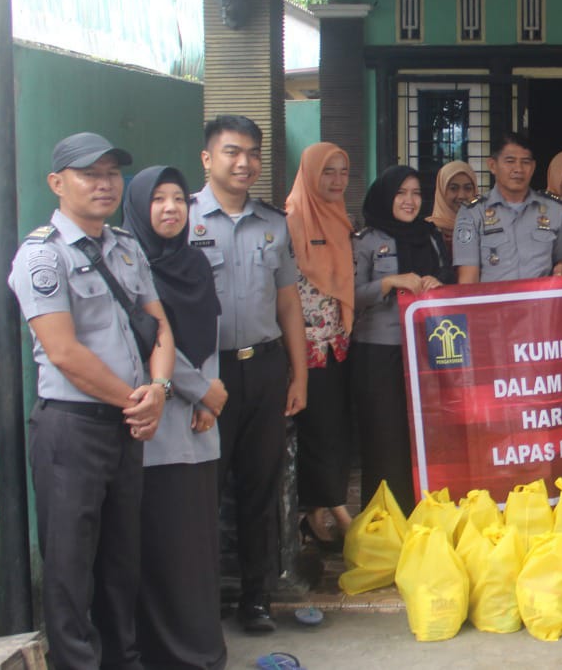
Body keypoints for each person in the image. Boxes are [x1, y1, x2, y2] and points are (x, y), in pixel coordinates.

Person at [10, 132, 172, 670]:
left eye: (111, 173)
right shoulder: (41, 256)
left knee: (121, 560)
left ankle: (122, 659)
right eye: (89, 174)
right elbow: (63, 351)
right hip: (73, 429)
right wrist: (138, 401)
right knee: (70, 564)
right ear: (57, 183)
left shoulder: (126, 245)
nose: (103, 183)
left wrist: (160, 390)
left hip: (128, 425)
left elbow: (159, 327)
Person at [190, 114, 309, 633]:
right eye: (232, 152)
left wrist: (298, 376)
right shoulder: (181, 220)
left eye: (252, 154)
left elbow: (288, 305)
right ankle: (199, 598)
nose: (244, 163)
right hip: (205, 376)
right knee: (202, 491)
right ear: (208, 159)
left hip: (263, 369)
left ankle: (256, 599)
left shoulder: (273, 224)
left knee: (261, 488)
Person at [124, 165, 227, 670]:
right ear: (139, 208)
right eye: (158, 200)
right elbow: (146, 338)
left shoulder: (194, 264)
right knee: (162, 541)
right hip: (156, 423)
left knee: (196, 541)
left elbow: (207, 331)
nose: (170, 209)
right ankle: (166, 654)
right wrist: (199, 390)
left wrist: (210, 398)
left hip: (201, 420)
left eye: (178, 200)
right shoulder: (127, 263)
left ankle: (201, 649)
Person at [353, 166, 453, 512]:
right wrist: (388, 283)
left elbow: (447, 274)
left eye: (415, 193)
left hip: (427, 349)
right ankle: (384, 519)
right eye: (401, 193)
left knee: (424, 433)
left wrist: (438, 284)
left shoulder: (430, 235)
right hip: (379, 351)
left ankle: (423, 514)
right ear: (385, 196)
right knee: (385, 435)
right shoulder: (366, 240)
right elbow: (350, 297)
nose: (410, 201)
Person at [286, 142, 357, 546]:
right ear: (311, 173)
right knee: (317, 431)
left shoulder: (340, 219)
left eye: (342, 172)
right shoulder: (291, 218)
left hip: (337, 343)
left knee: (333, 429)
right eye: (327, 171)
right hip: (304, 347)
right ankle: (332, 510)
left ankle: (316, 513)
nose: (336, 181)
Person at [453, 133, 562, 282]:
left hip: (540, 304)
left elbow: (560, 263)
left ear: (533, 167)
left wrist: (560, 268)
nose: (518, 169)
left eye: (525, 162)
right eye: (510, 161)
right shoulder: (473, 212)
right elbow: (468, 281)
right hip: (494, 304)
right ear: (492, 166)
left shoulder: (553, 209)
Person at [428, 160, 479, 253]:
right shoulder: (427, 234)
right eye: (453, 188)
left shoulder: (484, 229)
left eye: (468, 188)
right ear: (442, 192)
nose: (461, 196)